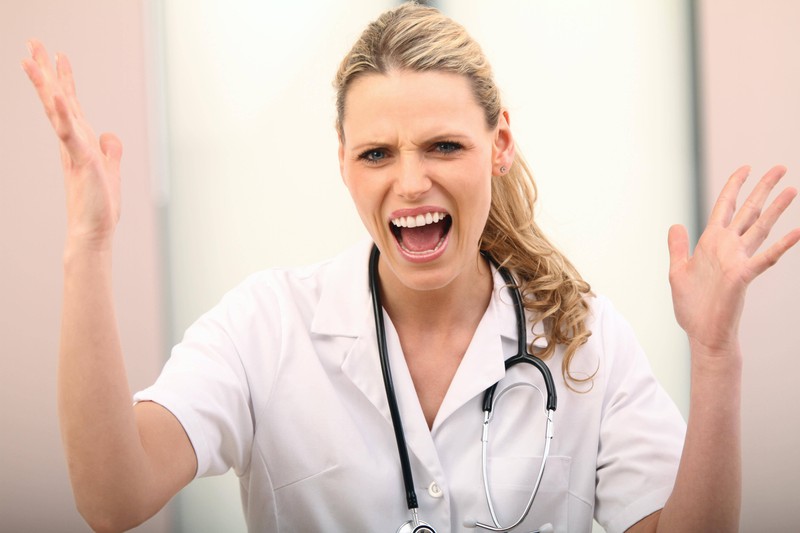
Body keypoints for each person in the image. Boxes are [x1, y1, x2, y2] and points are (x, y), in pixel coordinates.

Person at [22, 3, 799, 533]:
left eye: (444, 146)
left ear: (499, 147)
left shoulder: (583, 338)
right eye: (377, 153)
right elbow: (112, 495)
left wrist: (716, 355)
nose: (411, 181)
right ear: (343, 165)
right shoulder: (265, 327)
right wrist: (87, 247)